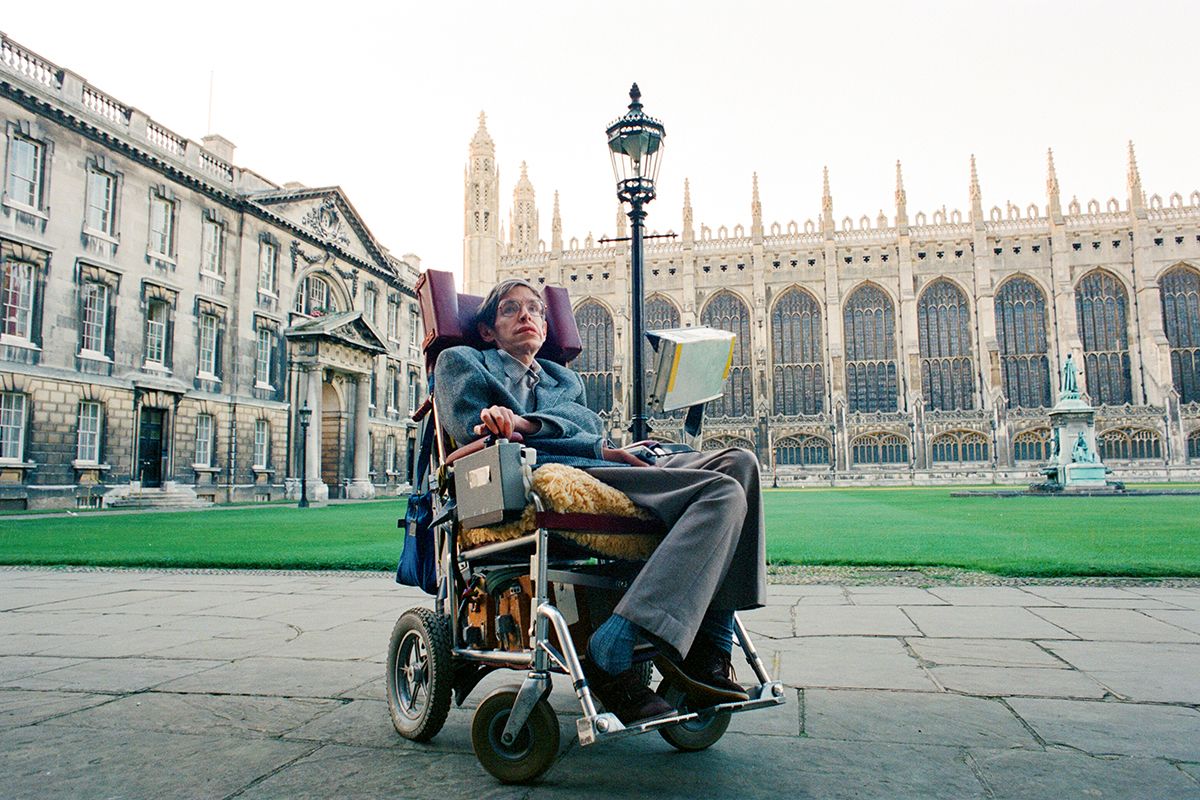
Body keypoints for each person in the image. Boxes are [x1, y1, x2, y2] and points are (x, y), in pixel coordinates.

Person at [435, 278, 767, 724]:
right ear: (488, 330)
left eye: (535, 308)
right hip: (531, 475)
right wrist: (506, 425)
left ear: (548, 328)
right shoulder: (462, 362)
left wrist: (527, 423)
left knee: (740, 465)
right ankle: (617, 645)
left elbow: (585, 431)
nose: (526, 316)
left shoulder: (562, 377)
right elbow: (464, 424)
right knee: (721, 493)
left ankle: (710, 647)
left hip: (596, 464)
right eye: (510, 309)